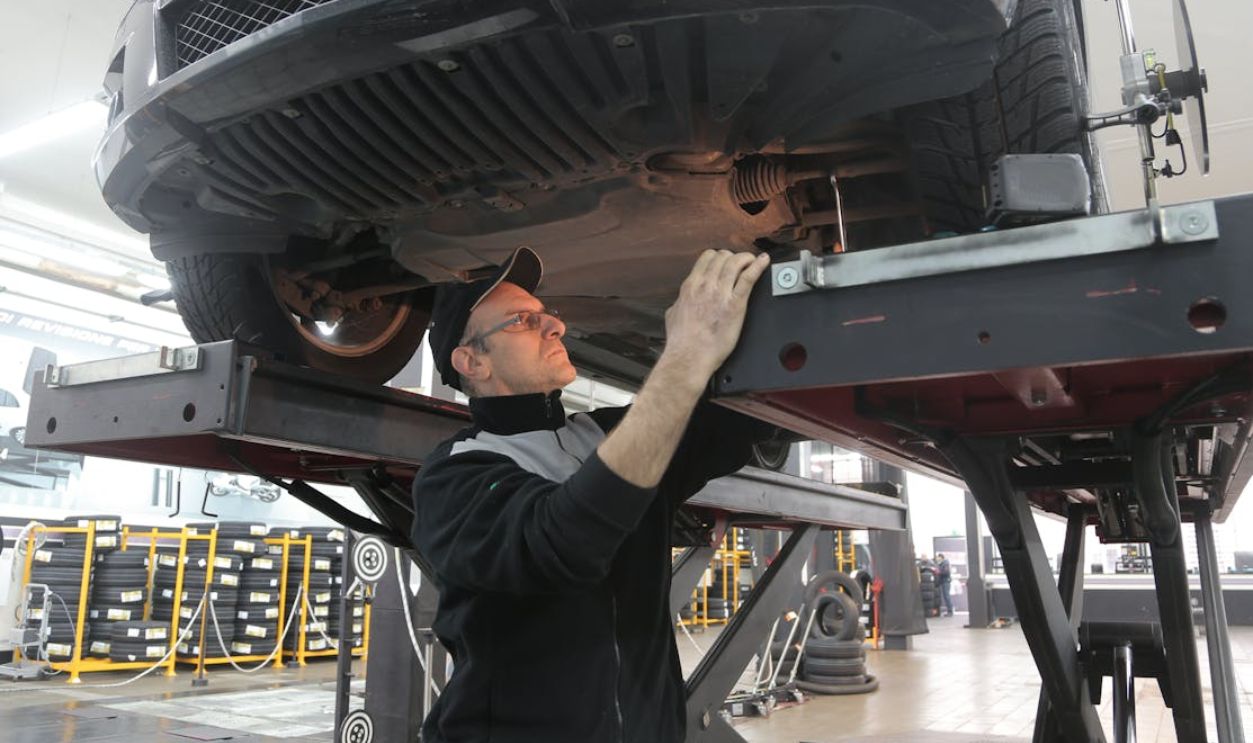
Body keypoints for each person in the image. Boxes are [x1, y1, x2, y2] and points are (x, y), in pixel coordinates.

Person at [410, 246, 783, 743]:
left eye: (548, 316)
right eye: (524, 321)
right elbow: (563, 543)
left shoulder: (608, 434)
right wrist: (686, 355)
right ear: (472, 361)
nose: (555, 327)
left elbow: (752, 414)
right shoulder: (456, 476)